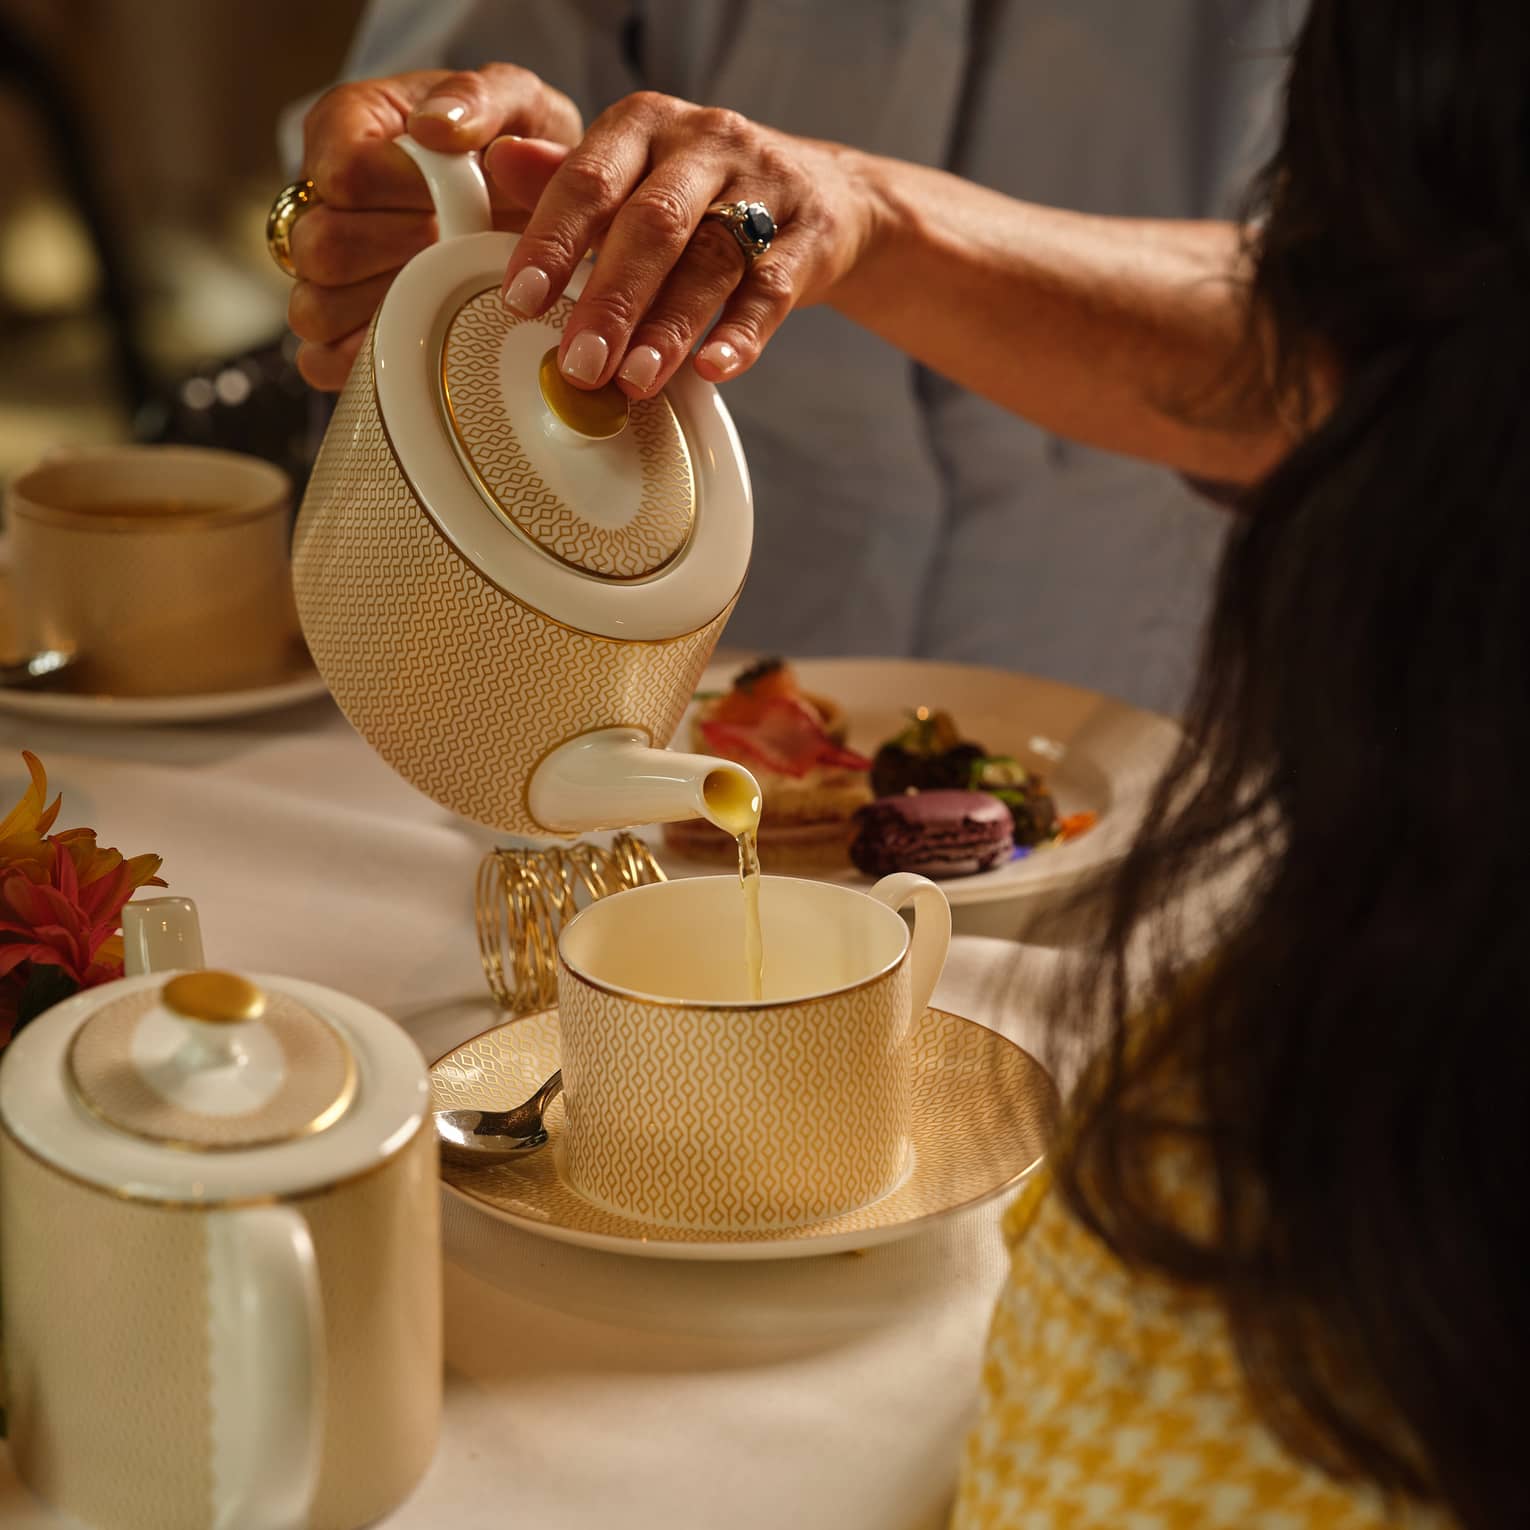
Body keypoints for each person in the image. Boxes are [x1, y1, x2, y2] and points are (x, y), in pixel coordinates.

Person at [304, 1, 1521, 1524]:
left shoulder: (1233, 1198)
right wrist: (440, 193)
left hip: (1148, 760)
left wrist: (873, 218)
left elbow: (1388, 316)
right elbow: (428, 113)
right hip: (633, 647)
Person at [279, 1, 1293, 715]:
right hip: (611, 666)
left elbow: (1358, 346)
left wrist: (874, 218)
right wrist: (406, 203)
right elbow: (430, 136)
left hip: (1123, 693)